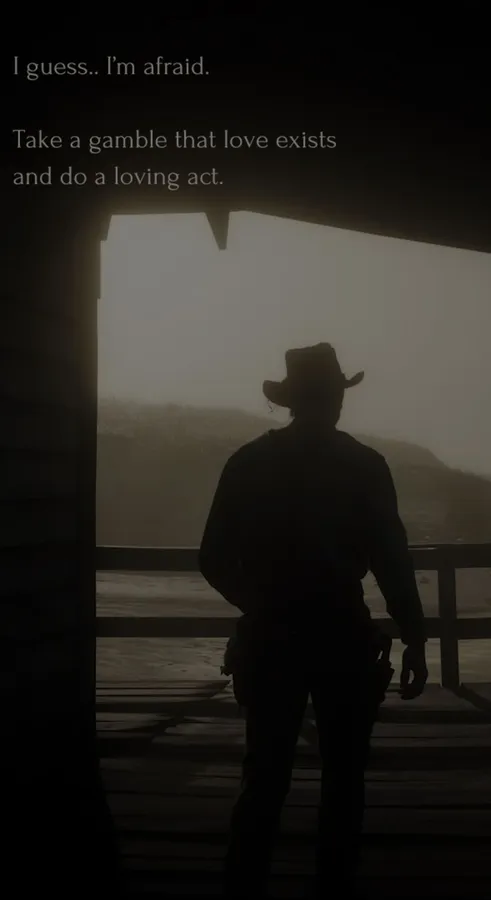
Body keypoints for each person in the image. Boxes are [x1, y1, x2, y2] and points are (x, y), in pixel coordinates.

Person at [199, 343, 428, 897]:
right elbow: (392, 563)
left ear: (291, 401)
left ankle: (242, 889)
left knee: (264, 778)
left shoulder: (248, 462)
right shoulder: (365, 467)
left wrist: (259, 603)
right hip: (342, 635)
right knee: (344, 780)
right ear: (334, 399)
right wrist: (416, 640)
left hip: (270, 638)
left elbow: (212, 558)